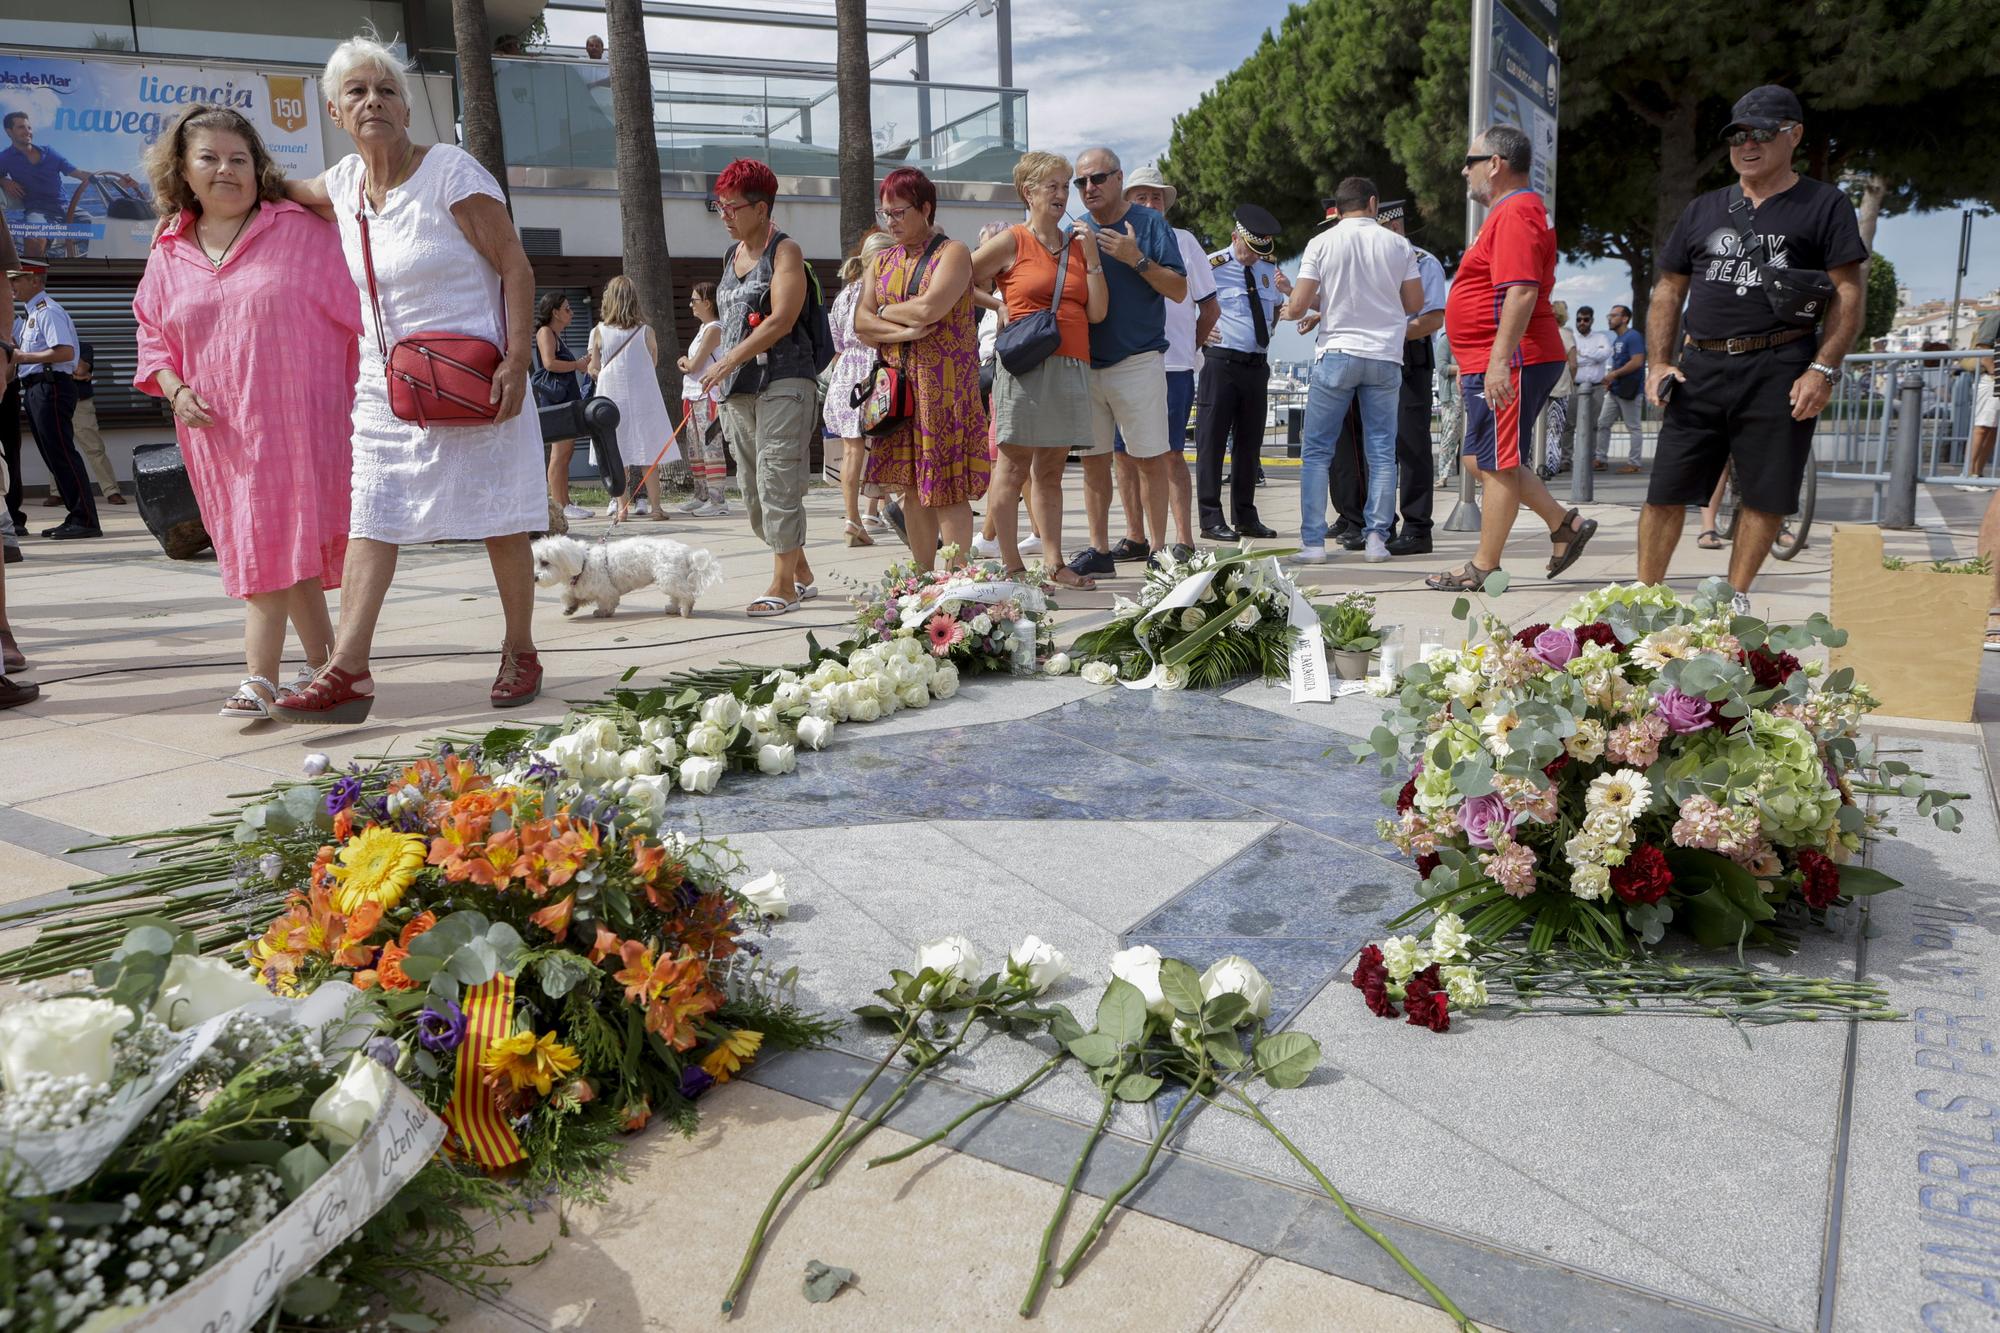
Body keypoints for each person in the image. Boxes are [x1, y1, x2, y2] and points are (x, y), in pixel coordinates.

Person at [272, 34, 547, 721]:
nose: (374, 101)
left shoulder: (450, 170)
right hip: (387, 388)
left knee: (500, 518)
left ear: (407, 109)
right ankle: (349, 669)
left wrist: (517, 359)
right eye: (357, 92)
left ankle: (521, 648)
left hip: (477, 376)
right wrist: (191, 194)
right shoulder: (340, 184)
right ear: (335, 112)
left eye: (387, 89)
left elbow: (516, 265)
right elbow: (271, 187)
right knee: (374, 514)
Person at [133, 103, 360, 718]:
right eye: (208, 157)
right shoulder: (168, 253)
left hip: (298, 420)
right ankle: (330, 673)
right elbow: (152, 337)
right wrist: (175, 389)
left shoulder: (302, 230)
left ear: (260, 169)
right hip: (216, 433)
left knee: (269, 539)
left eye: (239, 159)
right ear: (182, 169)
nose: (225, 170)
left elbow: (363, 295)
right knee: (288, 546)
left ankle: (259, 677)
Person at [1639, 84, 1866, 615]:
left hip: (1780, 365)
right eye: (1738, 135)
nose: (1748, 144)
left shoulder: (1824, 205)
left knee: (1765, 495)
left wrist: (1822, 369)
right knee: (1665, 489)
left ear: (1795, 135)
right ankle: (1642, 599)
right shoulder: (1702, 209)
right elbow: (1669, 289)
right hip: (1701, 366)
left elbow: (1849, 293)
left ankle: (1733, 600)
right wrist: (1658, 362)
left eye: (1763, 133)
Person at [1425, 126, 1596, 592]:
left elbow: (1521, 290)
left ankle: (1484, 567)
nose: (1465, 169)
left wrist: (1499, 361)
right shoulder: (1509, 213)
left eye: (1471, 159)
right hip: (1492, 359)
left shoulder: (1517, 211)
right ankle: (1563, 524)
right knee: (1476, 458)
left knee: (1498, 461)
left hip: (1513, 359)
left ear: (1495, 163)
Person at [970, 149, 1107, 586]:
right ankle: (1011, 565)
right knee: (1010, 469)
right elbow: (958, 277)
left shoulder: (1077, 244)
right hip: (1026, 364)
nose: (1063, 194)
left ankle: (1054, 564)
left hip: (1071, 364)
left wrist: (1095, 259)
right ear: (1028, 192)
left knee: (1049, 471)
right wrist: (996, 303)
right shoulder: (1013, 239)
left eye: (1066, 186)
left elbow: (1098, 312)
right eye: (1053, 186)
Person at [1280, 176, 1422, 564]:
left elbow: (1300, 304)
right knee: (1381, 452)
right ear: (1373, 204)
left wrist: (1290, 309)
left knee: (1316, 452)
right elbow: (1414, 302)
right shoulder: (1399, 244)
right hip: (1384, 356)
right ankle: (1376, 539)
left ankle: (1313, 543)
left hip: (1338, 353)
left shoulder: (1320, 243)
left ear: (1338, 209)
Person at [699, 157, 818, 615]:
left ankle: (783, 583)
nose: (723, 214)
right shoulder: (731, 257)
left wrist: (726, 360)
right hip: (739, 389)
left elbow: (783, 319)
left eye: (731, 206)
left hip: (785, 378)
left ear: (761, 207)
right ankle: (800, 566)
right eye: (719, 206)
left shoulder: (785, 251)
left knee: (778, 481)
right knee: (751, 491)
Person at [855, 166, 989, 569]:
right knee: (910, 491)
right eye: (885, 214)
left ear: (925, 208)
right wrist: (902, 331)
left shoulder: (954, 252)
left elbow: (932, 308)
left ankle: (957, 583)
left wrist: (883, 312)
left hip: (944, 391)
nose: (890, 222)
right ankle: (924, 580)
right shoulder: (880, 262)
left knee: (947, 490)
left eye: (898, 212)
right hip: (898, 391)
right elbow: (859, 323)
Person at [1066, 147, 1187, 577]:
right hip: (1085, 364)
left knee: (1149, 458)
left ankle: (1158, 549)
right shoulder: (1071, 231)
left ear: (1118, 179)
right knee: (1095, 461)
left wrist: (1133, 257)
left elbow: (1177, 289)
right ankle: (1099, 550)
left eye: (1097, 178)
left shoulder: (1150, 224)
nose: (1089, 188)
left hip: (1137, 360)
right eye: (1080, 182)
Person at [1114, 165, 1215, 560]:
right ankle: (1135, 535)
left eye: (1157, 197)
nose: (1150, 203)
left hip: (1172, 366)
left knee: (1171, 453)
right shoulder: (1115, 240)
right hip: (1124, 363)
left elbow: (1210, 307)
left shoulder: (1185, 241)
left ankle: (1184, 539)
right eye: (1141, 196)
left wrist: (1190, 349)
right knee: (1124, 454)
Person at [1196, 202, 1285, 544]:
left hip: (1255, 365)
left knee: (1249, 445)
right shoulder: (1210, 266)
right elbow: (1179, 302)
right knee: (1212, 443)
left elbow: (1275, 308)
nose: (1252, 256)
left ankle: (1246, 516)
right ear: (1235, 237)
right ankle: (1210, 517)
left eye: (1259, 250)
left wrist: (1266, 331)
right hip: (1221, 363)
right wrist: (1198, 329)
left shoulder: (1266, 270)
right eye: (1248, 249)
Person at [10, 259, 100, 538]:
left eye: (17, 279)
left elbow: (64, 352)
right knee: (54, 456)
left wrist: (22, 356)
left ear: (35, 280)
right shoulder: (31, 315)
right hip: (38, 388)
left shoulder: (47, 311)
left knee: (62, 454)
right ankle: (75, 514)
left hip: (52, 387)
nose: (12, 285)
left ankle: (85, 519)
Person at [825, 228, 896, 545]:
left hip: (846, 375)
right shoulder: (883, 292)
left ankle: (854, 518)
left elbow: (836, 340)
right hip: (875, 371)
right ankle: (883, 511)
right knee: (886, 443)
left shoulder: (844, 295)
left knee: (853, 449)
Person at [585, 275, 674, 524]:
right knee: (649, 452)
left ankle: (622, 508)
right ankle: (656, 508)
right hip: (643, 395)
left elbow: (594, 367)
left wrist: (598, 371)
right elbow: (652, 362)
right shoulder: (646, 331)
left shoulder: (598, 332)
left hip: (611, 394)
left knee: (617, 450)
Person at [1, 112, 138, 260]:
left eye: (29, 127)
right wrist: (4, 181)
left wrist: (117, 183)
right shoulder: (5, 157)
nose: (28, 131)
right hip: (37, 210)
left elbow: (80, 174)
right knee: (34, 240)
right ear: (9, 132)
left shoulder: (50, 153)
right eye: (21, 127)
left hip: (67, 208)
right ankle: (32, 281)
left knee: (104, 234)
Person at [533, 292, 593, 520]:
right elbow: (549, 363)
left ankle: (565, 502)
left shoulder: (556, 335)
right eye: (567, 309)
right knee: (559, 453)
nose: (572, 312)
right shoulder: (545, 332)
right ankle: (559, 505)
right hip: (556, 401)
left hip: (566, 398)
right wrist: (576, 364)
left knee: (566, 452)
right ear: (555, 312)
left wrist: (578, 364)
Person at [675, 281, 732, 516]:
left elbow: (695, 364)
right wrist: (687, 364)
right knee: (695, 449)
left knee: (711, 448)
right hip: (693, 396)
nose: (691, 305)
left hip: (709, 396)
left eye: (694, 300)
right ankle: (702, 494)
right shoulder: (703, 329)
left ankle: (718, 500)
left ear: (707, 303)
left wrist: (683, 362)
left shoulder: (714, 328)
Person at [67, 340, 124, 506]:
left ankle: (111, 491)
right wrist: (77, 377)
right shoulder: (46, 348)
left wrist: (75, 370)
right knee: (57, 448)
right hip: (56, 401)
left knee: (94, 448)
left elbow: (80, 369)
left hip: (81, 402)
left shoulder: (83, 347)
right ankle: (57, 492)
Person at [1595, 304, 1646, 472]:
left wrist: (1614, 374)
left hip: (1630, 390)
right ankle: (1601, 459)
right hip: (1616, 389)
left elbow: (1637, 361)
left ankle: (1634, 463)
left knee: (1633, 427)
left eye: (1614, 315)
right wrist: (1612, 380)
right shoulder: (1618, 340)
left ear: (1625, 318)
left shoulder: (1633, 337)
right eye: (1610, 316)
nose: (1610, 318)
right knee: (1603, 423)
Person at [1570, 305, 1612, 471]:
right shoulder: (1572, 338)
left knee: (1594, 424)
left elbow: (1605, 354)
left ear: (1592, 321)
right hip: (1575, 386)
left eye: (1586, 319)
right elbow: (1571, 361)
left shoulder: (1601, 337)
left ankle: (1592, 457)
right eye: (1579, 319)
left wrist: (1582, 355)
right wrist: (1593, 357)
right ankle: (1566, 458)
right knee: (1569, 424)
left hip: (1596, 388)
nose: (1582, 322)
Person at [1543, 299, 1578, 479]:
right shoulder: (1566, 335)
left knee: (1538, 427)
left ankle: (1535, 461)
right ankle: (1551, 464)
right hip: (1561, 385)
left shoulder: (1543, 333)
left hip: (1541, 385)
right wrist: (1570, 380)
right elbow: (1573, 364)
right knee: (1555, 428)